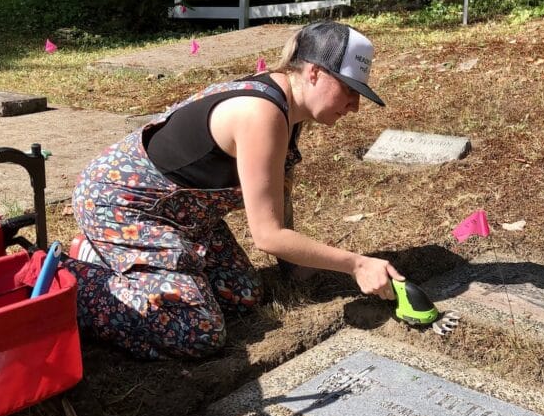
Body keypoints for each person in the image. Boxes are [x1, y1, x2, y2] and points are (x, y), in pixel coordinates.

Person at [64, 21, 404, 359]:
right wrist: (356, 265)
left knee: (242, 294)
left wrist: (299, 272)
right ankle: (75, 280)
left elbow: (277, 198)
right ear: (314, 73)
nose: (355, 105)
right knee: (196, 331)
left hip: (184, 216)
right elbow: (268, 236)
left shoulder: (289, 108)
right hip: (121, 205)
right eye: (349, 89)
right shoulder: (260, 114)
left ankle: (126, 261)